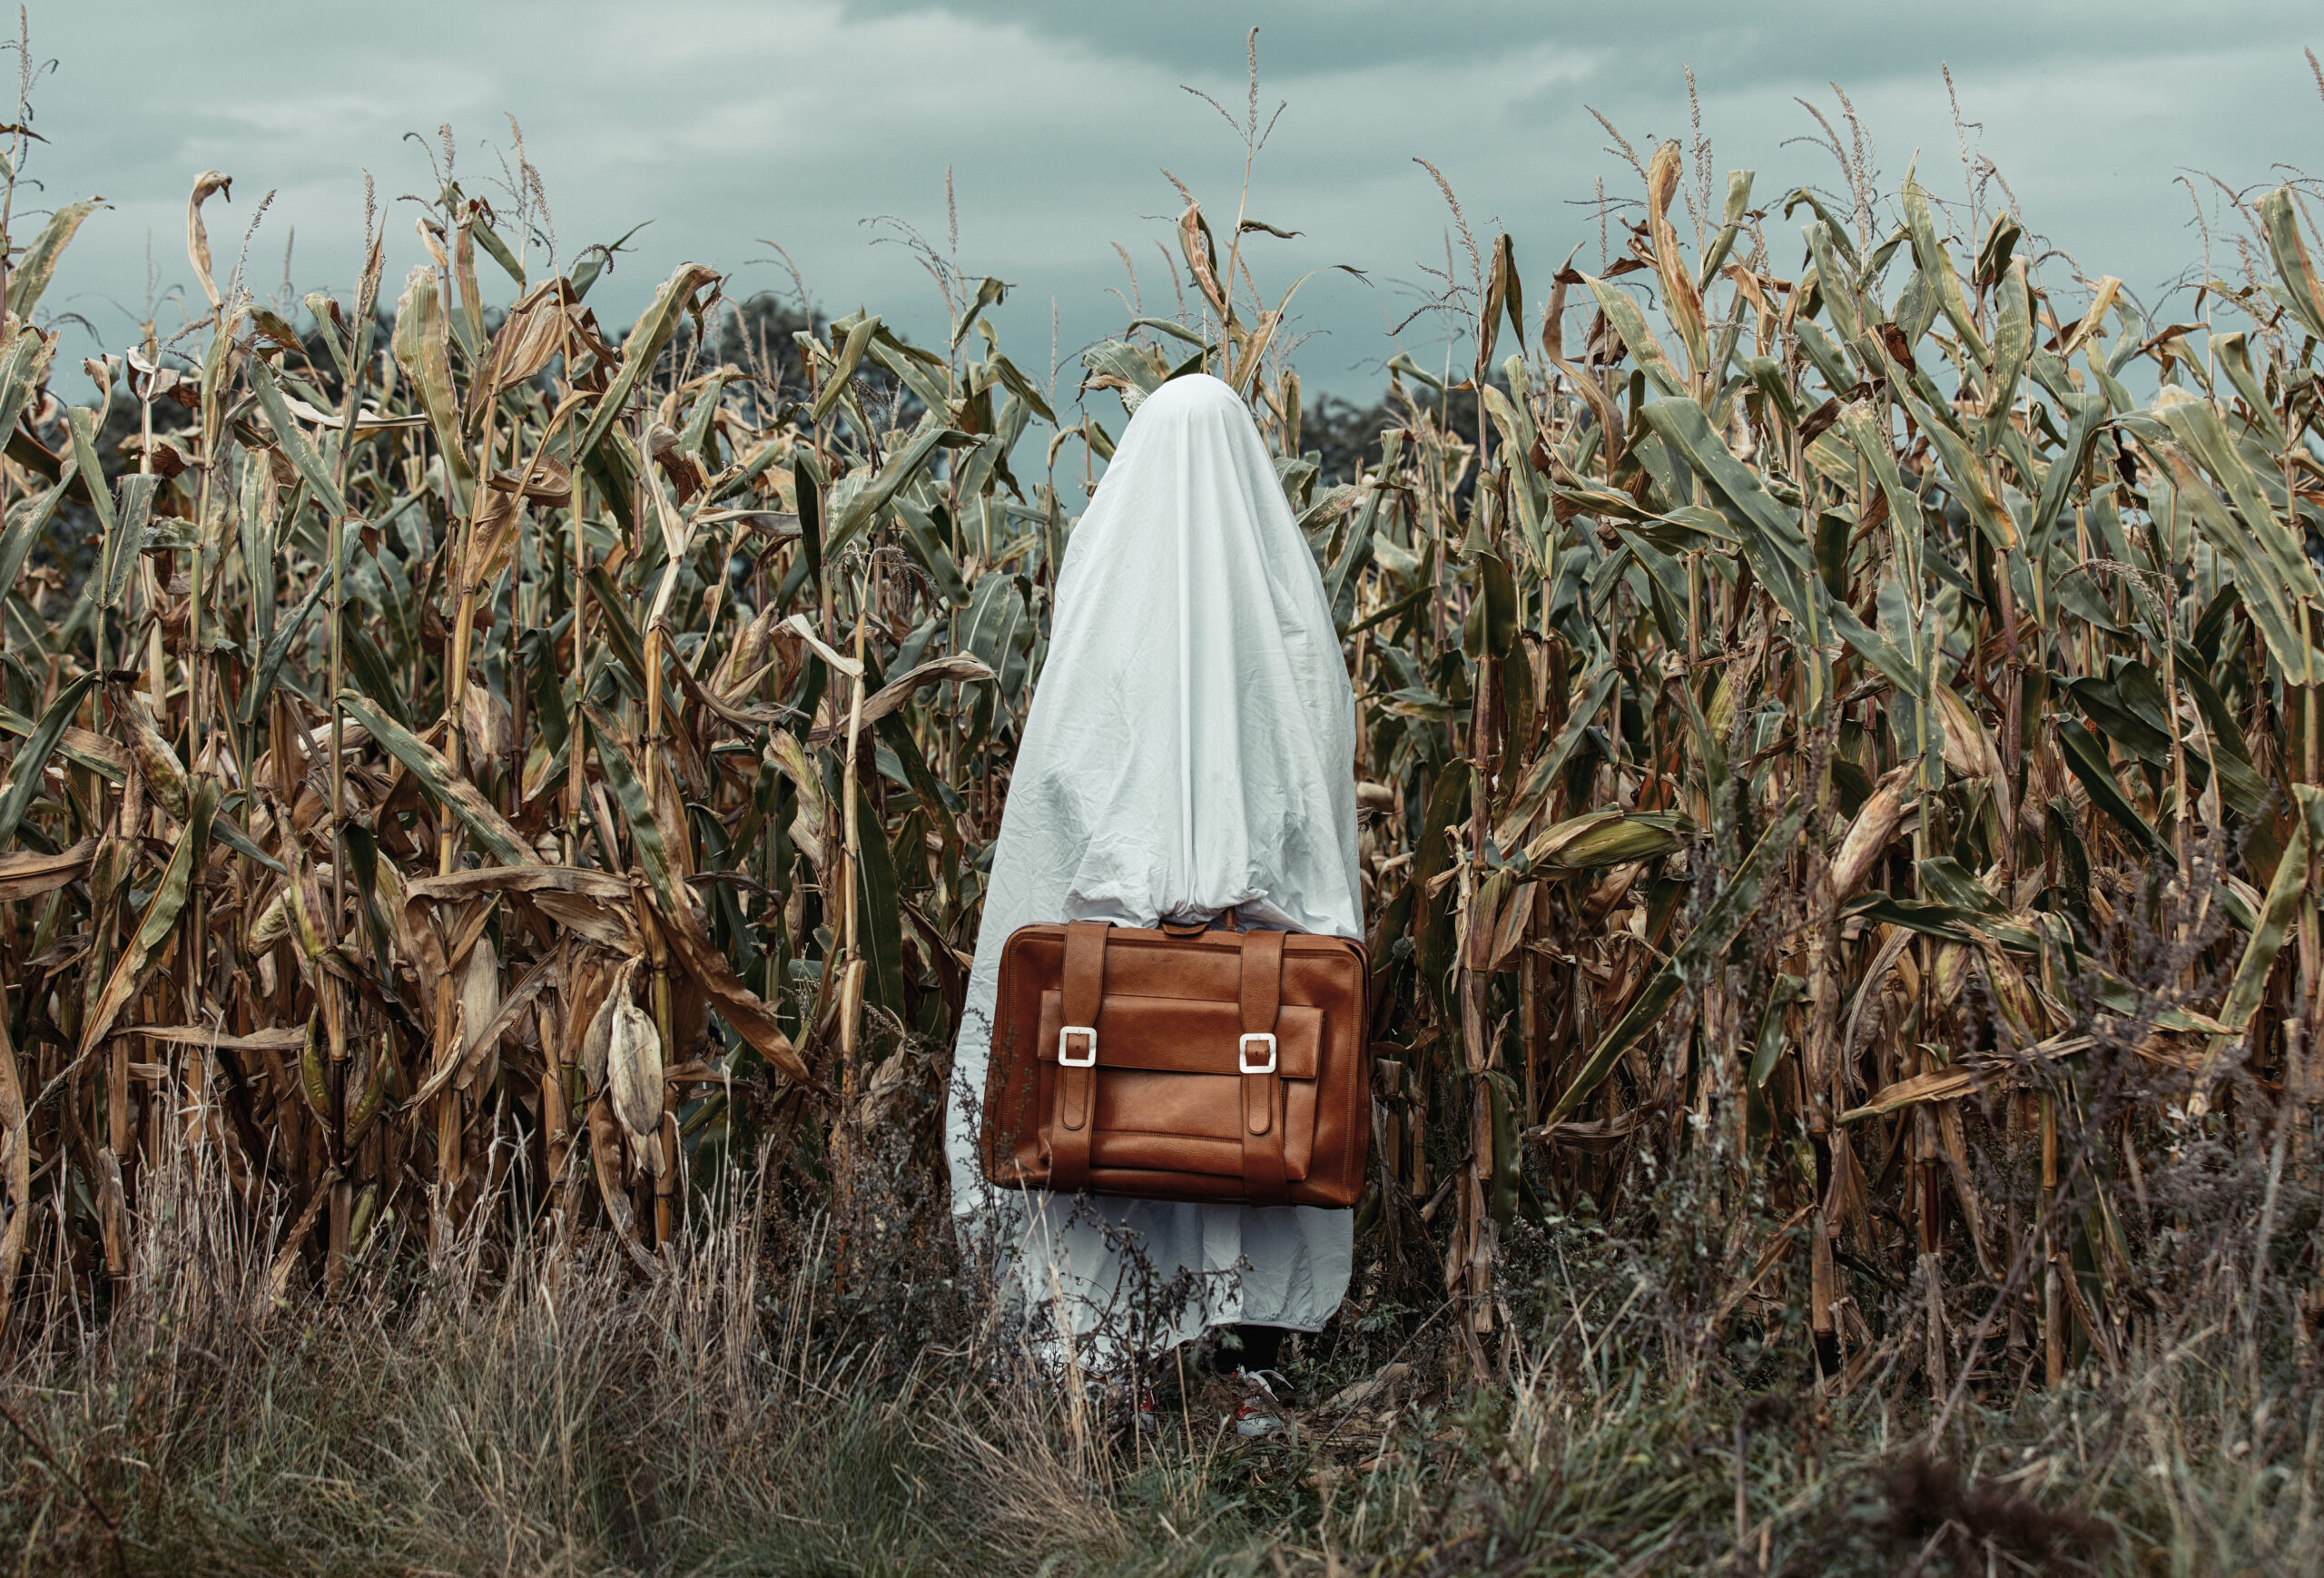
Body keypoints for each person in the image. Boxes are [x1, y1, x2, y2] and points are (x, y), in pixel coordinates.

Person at [943, 371, 1364, 1433]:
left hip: (1111, 958)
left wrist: (1138, 888)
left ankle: (1108, 1358)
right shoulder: (1287, 618)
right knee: (1239, 1143)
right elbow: (1313, 784)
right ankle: (1242, 1360)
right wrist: (1236, 888)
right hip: (1256, 964)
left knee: (1115, 1136)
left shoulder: (1105, 599)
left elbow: (1062, 779)